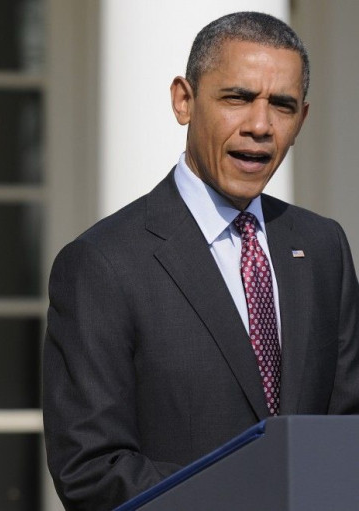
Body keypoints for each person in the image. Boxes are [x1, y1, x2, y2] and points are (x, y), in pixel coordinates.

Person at [43, 11, 359, 511]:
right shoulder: (102, 264)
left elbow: (345, 434)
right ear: (184, 101)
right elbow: (92, 471)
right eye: (237, 98)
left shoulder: (323, 247)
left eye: (282, 105)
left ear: (302, 120)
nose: (259, 125)